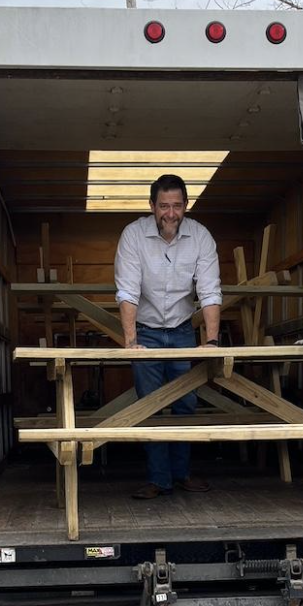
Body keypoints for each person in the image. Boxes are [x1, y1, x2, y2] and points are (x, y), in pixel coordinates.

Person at [114, 173, 223, 499]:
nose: (171, 213)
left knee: (185, 404)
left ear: (186, 206)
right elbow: (128, 291)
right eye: (164, 206)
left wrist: (213, 341)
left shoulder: (201, 236)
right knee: (149, 405)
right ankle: (159, 479)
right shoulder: (133, 235)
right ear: (152, 206)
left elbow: (210, 291)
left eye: (177, 206)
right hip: (145, 330)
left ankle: (182, 473)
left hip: (181, 331)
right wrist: (131, 343)